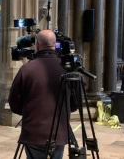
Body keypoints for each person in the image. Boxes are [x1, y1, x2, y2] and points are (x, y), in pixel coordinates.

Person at [8, 30, 78, 159]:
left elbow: (13, 101)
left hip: (34, 132)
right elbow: (75, 104)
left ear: (37, 46)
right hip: (59, 133)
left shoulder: (27, 69)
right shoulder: (67, 69)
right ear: (55, 44)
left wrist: (28, 113)